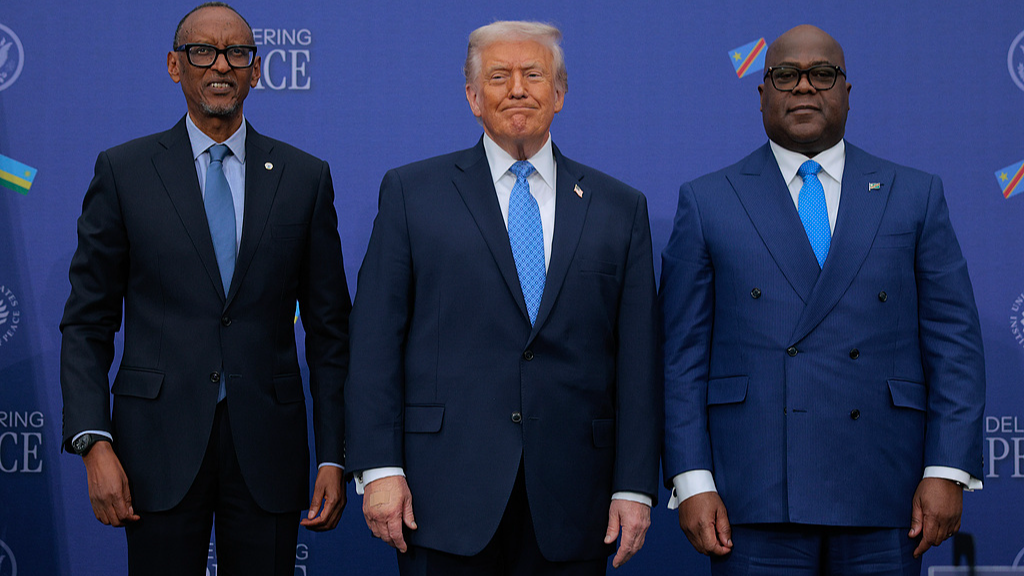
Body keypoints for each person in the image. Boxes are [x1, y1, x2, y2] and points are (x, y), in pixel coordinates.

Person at [660, 24, 986, 575]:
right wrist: (691, 480)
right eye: (785, 75)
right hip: (753, 493)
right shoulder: (708, 200)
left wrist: (948, 469)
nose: (804, 87)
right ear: (761, 93)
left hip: (886, 489)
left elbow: (955, 345)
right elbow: (680, 359)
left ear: (847, 92)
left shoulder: (915, 194)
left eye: (823, 74)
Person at [344, 20, 660, 576]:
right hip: (439, 497)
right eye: (499, 76)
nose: (518, 88)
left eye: (533, 74)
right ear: (472, 96)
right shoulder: (412, 193)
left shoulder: (619, 206)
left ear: (558, 93)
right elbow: (373, 343)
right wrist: (379, 468)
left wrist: (635, 484)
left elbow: (638, 360)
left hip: (573, 500)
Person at [59, 3, 351, 574]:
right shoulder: (124, 171)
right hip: (154, 450)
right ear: (175, 65)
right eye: (202, 51)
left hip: (268, 449)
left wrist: (335, 456)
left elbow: (330, 332)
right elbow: (87, 320)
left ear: (256, 70)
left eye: (236, 52)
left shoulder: (304, 177)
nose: (221, 65)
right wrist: (94, 441)